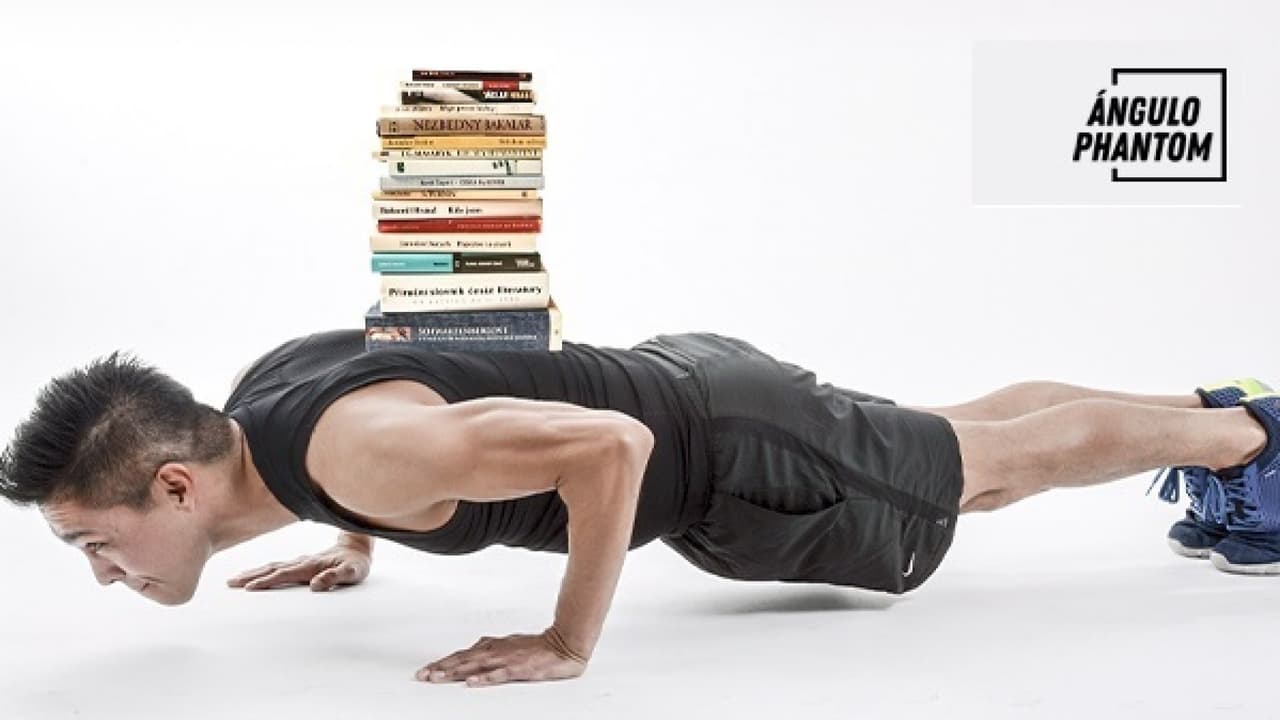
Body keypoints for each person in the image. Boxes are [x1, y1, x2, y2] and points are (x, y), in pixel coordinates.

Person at [1, 330, 1277, 689]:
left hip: (725, 453)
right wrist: (353, 540)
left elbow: (608, 449)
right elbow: (398, 357)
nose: (103, 570)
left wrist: (567, 641)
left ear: (174, 485)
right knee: (965, 438)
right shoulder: (263, 411)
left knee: (989, 471)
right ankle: (1215, 410)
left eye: (93, 541)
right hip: (705, 392)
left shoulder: (370, 455)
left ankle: (1252, 439)